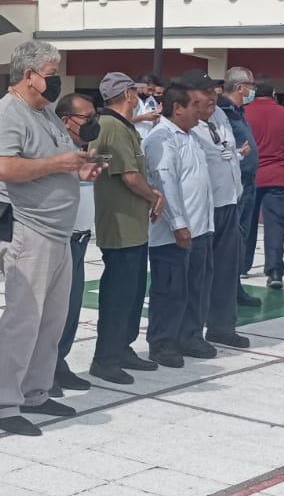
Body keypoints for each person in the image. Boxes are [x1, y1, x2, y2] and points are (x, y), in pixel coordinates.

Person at [0, 41, 97, 436]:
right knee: (23, 320)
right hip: (27, 229)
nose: (56, 79)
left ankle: (35, 391)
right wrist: (59, 163)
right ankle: (2, 405)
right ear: (29, 75)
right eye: (51, 73)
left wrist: (79, 170)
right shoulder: (6, 114)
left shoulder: (45, 111)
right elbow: (6, 168)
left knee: (51, 319)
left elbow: (57, 160)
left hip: (57, 230)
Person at [86, 72, 165, 384]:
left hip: (132, 224)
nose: (138, 97)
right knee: (119, 294)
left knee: (132, 292)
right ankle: (106, 357)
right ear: (128, 94)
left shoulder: (122, 125)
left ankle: (122, 347)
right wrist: (154, 196)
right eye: (135, 91)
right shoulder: (112, 127)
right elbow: (129, 176)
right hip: (120, 225)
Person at [143, 84, 214, 368]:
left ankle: (190, 336)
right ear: (177, 108)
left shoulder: (191, 136)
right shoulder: (161, 138)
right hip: (173, 233)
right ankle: (163, 343)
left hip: (200, 227)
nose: (200, 110)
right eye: (194, 104)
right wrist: (178, 224)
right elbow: (165, 182)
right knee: (169, 290)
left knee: (196, 287)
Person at [186, 72, 251, 349]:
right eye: (206, 92)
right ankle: (190, 332)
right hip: (203, 207)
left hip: (228, 202)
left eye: (214, 90)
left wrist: (236, 156)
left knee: (226, 269)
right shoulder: (185, 125)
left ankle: (222, 326)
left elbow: (224, 151)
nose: (213, 96)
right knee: (199, 274)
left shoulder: (220, 116)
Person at [52, 93, 101, 392]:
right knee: (56, 310)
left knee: (72, 307)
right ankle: (45, 369)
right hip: (62, 238)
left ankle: (60, 362)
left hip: (80, 238)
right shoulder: (57, 151)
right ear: (66, 120)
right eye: (86, 117)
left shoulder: (81, 150)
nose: (92, 122)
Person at [242, 82, 284, 292]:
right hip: (277, 176)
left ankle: (242, 265)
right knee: (275, 226)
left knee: (246, 223)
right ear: (274, 94)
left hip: (249, 175)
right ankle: (275, 271)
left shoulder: (244, 113)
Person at [216, 68, 260, 308]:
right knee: (233, 236)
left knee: (241, 235)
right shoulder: (223, 112)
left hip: (248, 179)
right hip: (236, 181)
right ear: (240, 88)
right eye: (251, 86)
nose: (253, 90)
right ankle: (227, 288)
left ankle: (234, 285)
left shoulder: (238, 111)